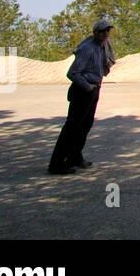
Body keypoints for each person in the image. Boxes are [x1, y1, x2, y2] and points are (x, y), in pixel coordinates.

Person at [47, 19, 115, 175]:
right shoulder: (88, 48)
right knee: (72, 127)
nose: (106, 34)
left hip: (94, 89)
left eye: (107, 31)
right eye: (103, 31)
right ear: (95, 32)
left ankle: (74, 157)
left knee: (85, 126)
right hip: (83, 91)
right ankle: (56, 164)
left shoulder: (101, 46)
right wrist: (87, 85)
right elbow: (72, 73)